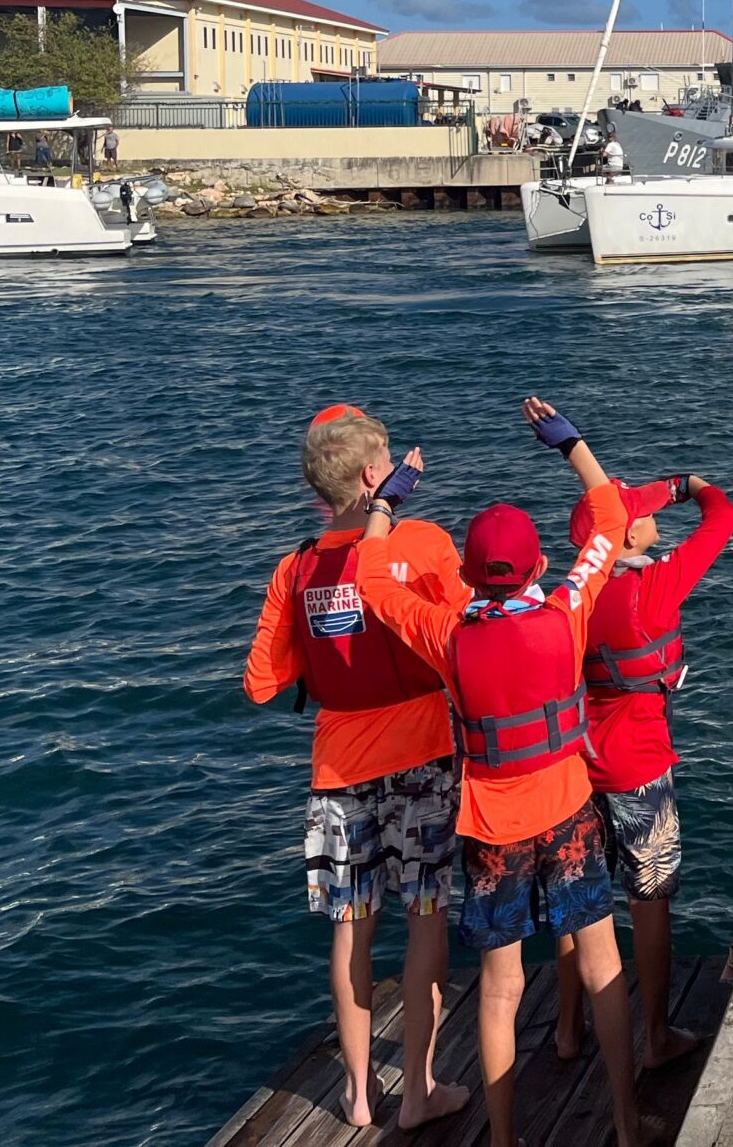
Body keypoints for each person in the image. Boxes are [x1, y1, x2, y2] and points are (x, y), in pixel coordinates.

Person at [353, 399, 641, 1147]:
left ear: (469, 577)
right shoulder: (566, 610)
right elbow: (610, 520)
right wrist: (570, 443)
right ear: (539, 568)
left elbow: (373, 579)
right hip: (570, 809)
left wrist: (387, 502)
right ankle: (625, 1117)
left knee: (502, 988)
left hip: (489, 828)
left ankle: (505, 1138)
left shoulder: (444, 632)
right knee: (605, 965)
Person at [242, 405, 468, 1132]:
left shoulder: (295, 567)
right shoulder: (426, 543)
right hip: (424, 757)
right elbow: (466, 637)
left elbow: (261, 683)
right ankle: (422, 1091)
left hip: (338, 773)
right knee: (426, 914)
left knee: (351, 928)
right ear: (376, 475)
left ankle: (359, 1096)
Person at [553, 468, 733, 1068]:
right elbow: (724, 517)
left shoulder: (566, 603)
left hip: (576, 771)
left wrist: (664, 491)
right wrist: (694, 485)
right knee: (650, 898)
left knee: (577, 900)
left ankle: (565, 1026)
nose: (651, 512)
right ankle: (656, 1037)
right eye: (641, 509)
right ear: (627, 538)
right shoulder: (654, 588)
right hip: (640, 769)